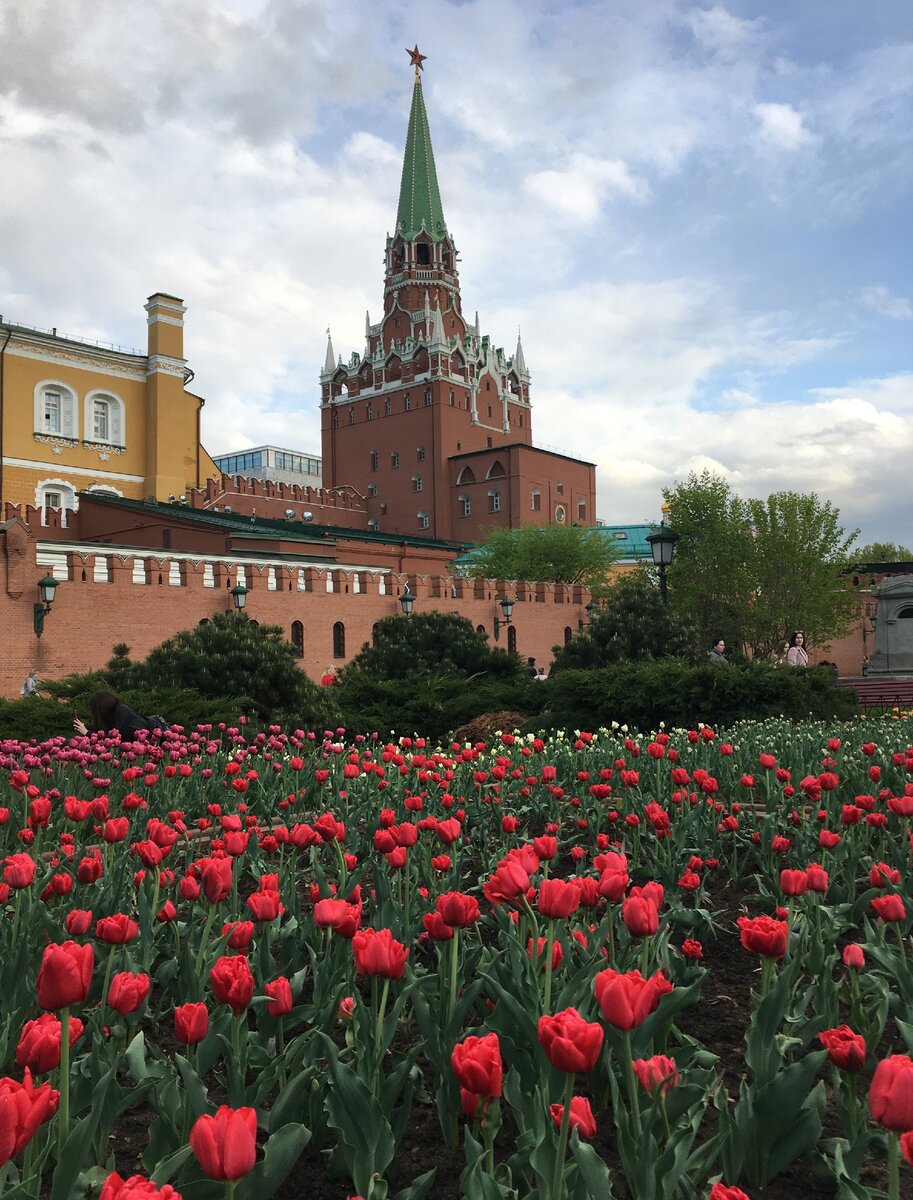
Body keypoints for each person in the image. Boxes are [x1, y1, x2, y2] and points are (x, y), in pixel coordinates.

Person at [74, 691, 150, 740]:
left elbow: (113, 739)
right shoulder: (110, 718)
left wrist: (87, 732)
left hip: (142, 749)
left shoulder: (122, 711)